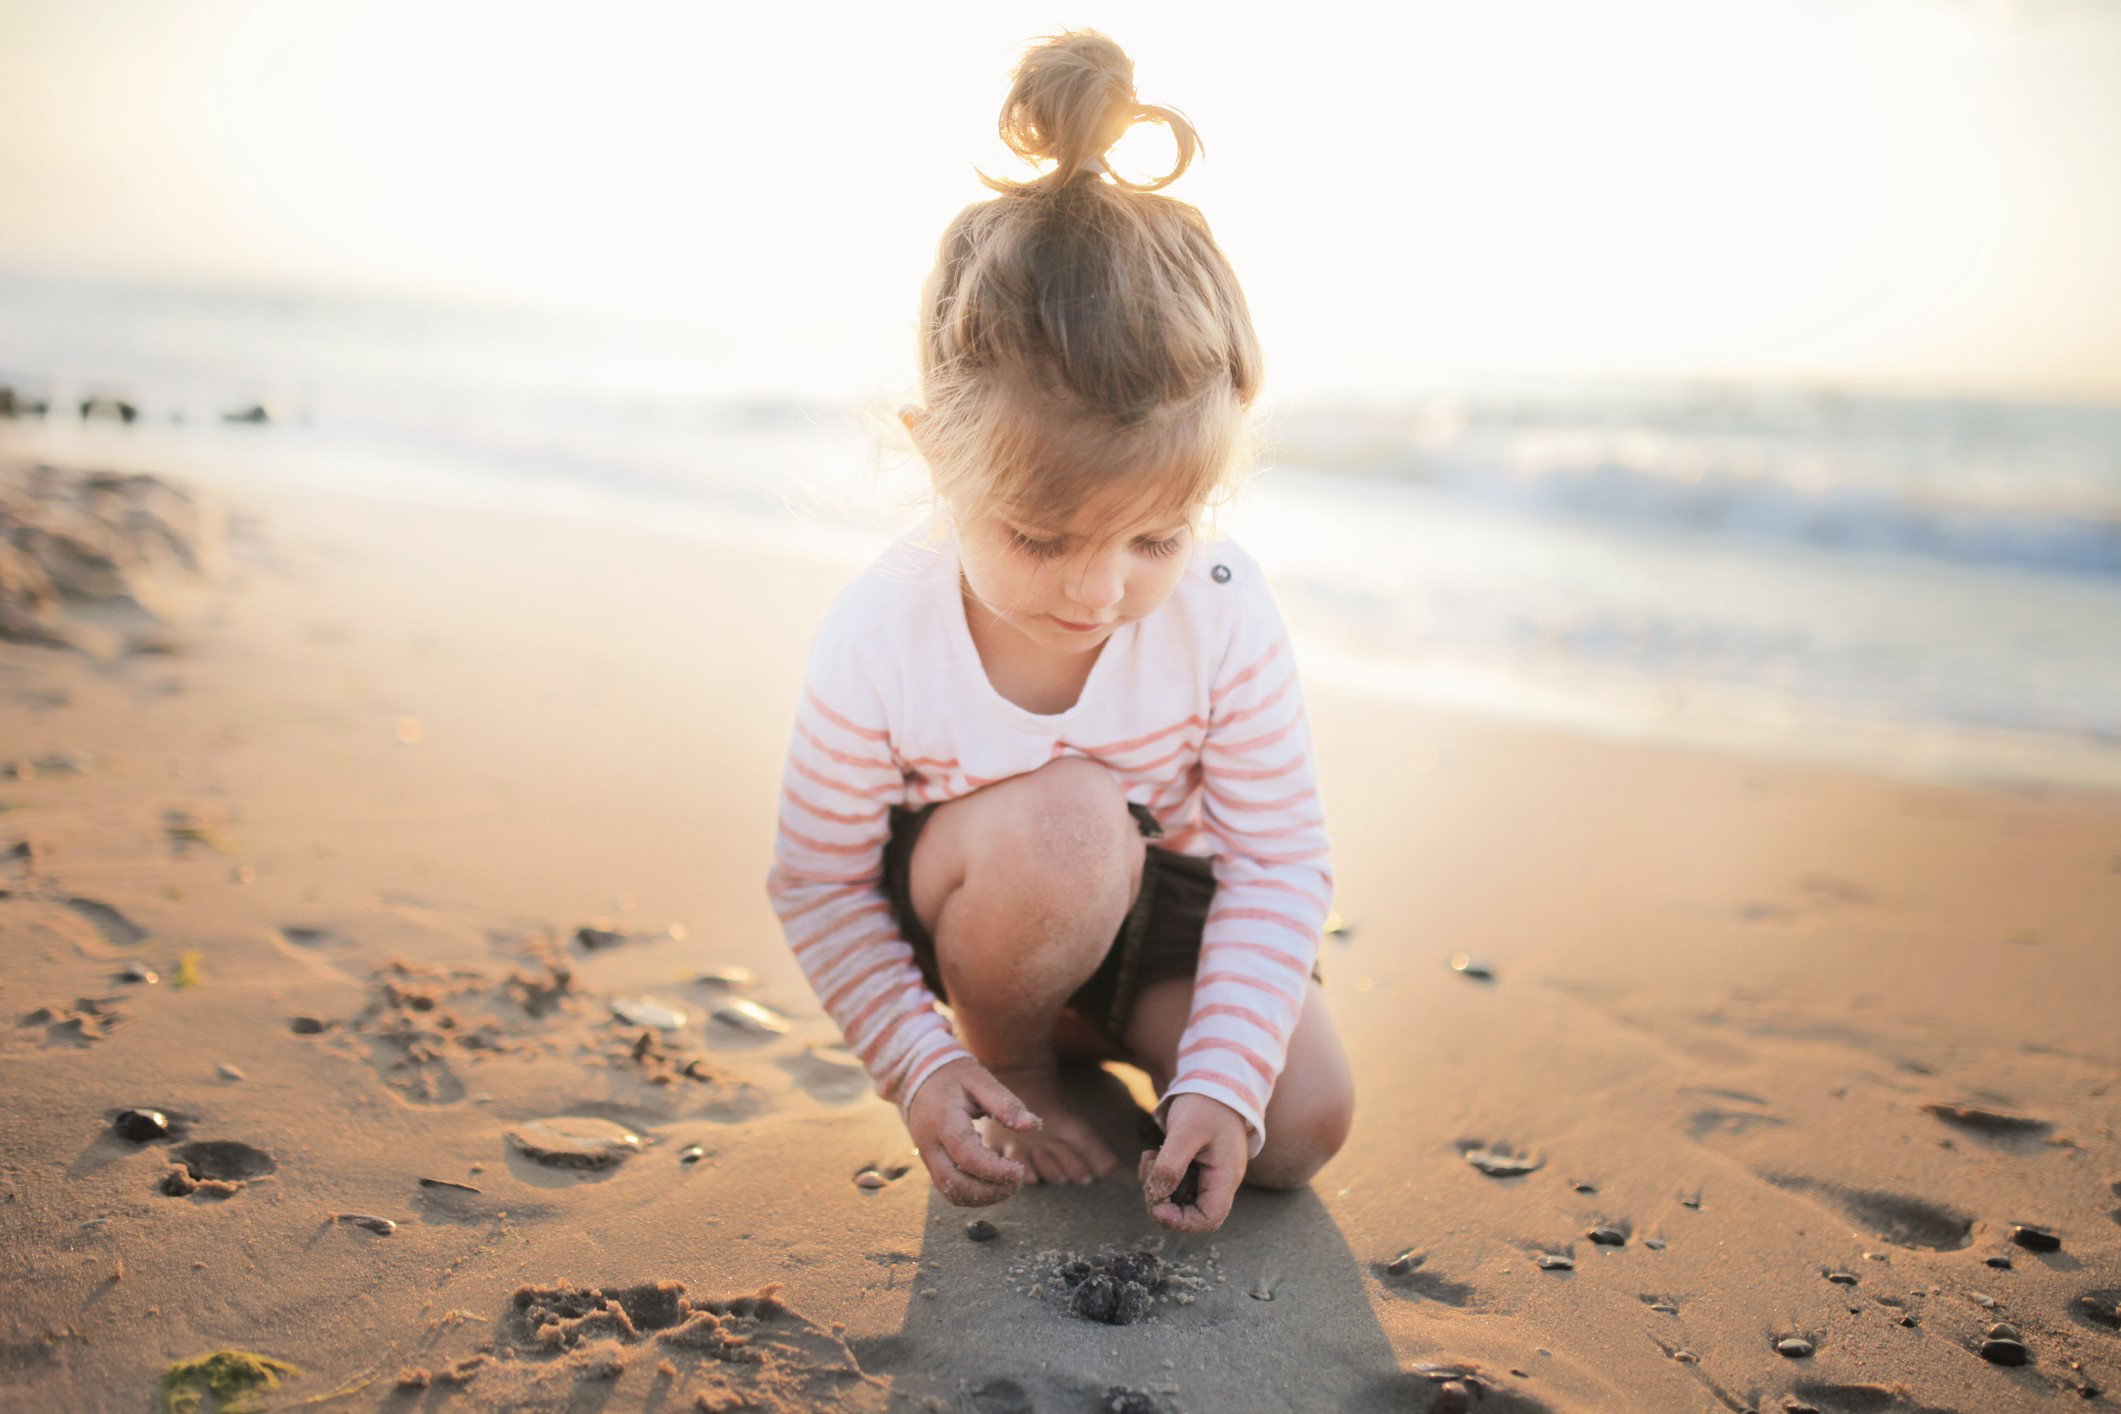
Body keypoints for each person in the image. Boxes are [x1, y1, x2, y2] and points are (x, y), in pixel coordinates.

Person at [765, 29, 1352, 1235]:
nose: (1099, 593)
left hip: (1154, 930)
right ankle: (1022, 1058)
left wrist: (1224, 1085)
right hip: (985, 914)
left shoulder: (1223, 613)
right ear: (940, 457)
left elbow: (1279, 858)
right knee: (1071, 821)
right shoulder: (883, 634)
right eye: (1041, 537)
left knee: (1301, 1123)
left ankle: (1123, 1048)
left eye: (1154, 539)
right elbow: (817, 881)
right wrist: (919, 1061)